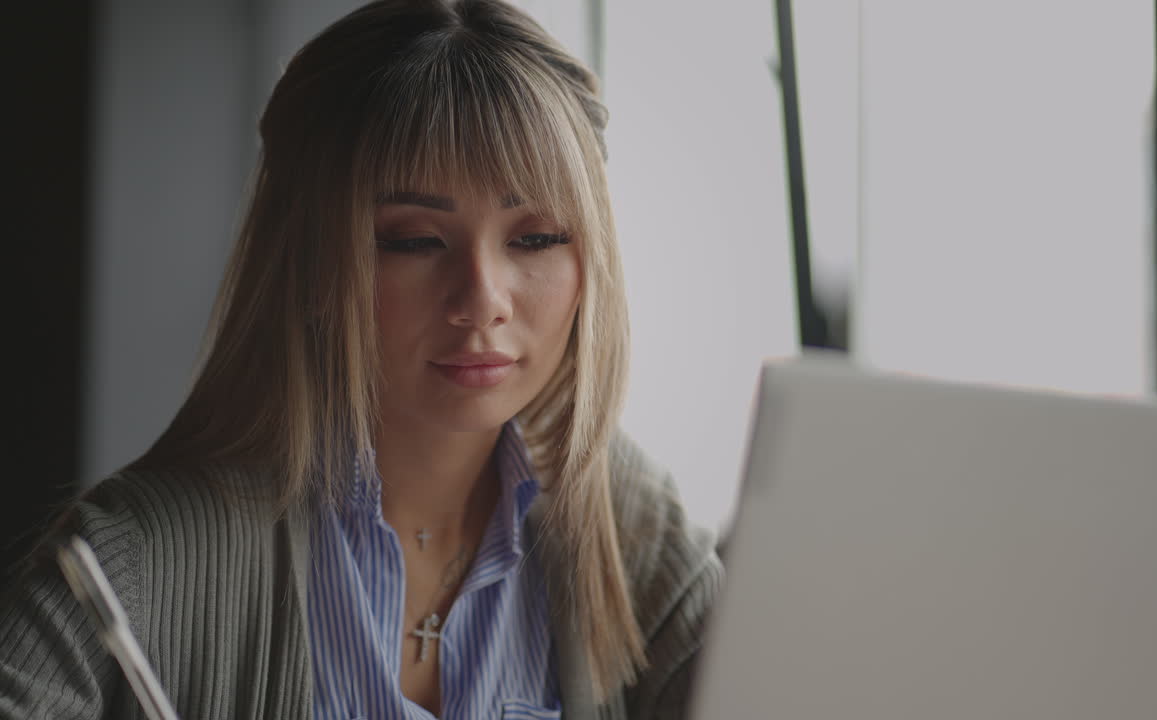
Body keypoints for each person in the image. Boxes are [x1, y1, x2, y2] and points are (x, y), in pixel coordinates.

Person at [0, 1, 723, 718]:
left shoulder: (634, 531)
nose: (482, 301)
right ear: (309, 261)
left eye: (535, 239)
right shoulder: (127, 564)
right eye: (413, 241)